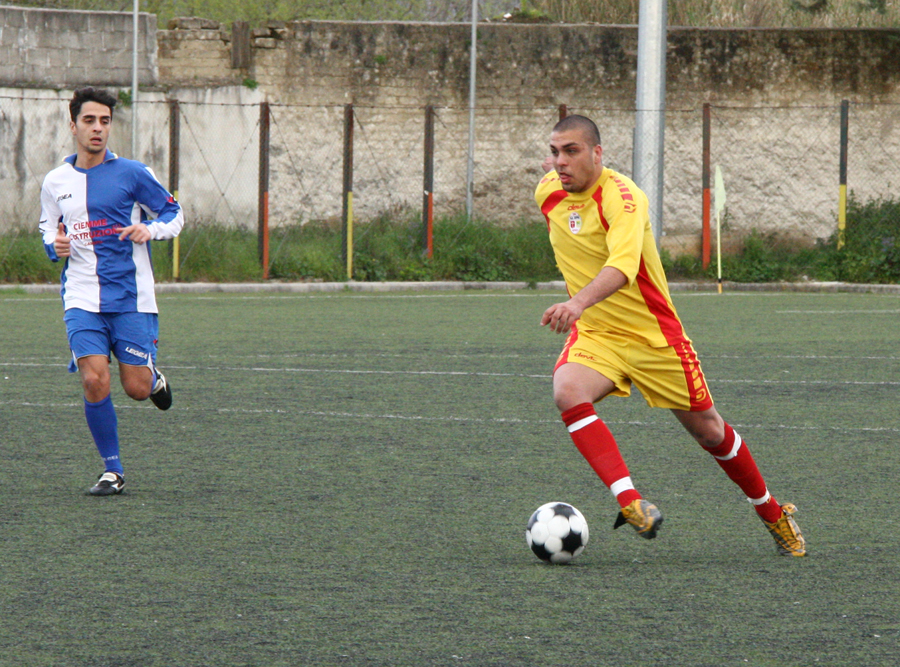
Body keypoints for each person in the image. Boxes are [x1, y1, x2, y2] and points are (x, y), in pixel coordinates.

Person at [535, 115, 805, 556]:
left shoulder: (623, 198)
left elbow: (622, 269)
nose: (559, 162)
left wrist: (576, 302)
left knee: (710, 433)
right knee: (567, 391)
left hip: (653, 337)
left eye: (571, 151)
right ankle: (630, 501)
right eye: (555, 151)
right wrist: (583, 310)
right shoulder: (547, 193)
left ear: (598, 154)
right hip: (599, 333)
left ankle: (774, 514)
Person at [39, 87, 184, 496]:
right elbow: (48, 229)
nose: (97, 128)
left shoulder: (133, 174)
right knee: (93, 379)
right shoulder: (56, 182)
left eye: (104, 121)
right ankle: (113, 470)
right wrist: (55, 247)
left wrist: (150, 229)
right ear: (73, 126)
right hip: (82, 297)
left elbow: (174, 213)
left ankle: (153, 380)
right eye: (89, 120)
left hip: (131, 299)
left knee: (135, 388)